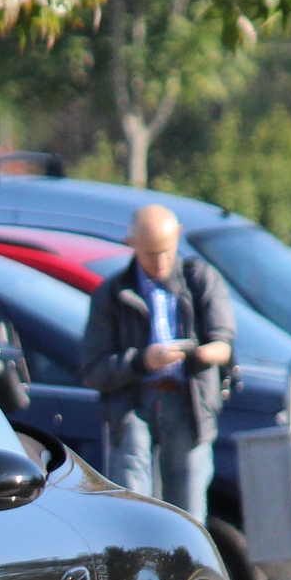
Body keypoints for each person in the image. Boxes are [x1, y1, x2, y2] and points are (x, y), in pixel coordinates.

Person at [78, 205, 236, 520]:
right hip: (134, 405)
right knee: (134, 507)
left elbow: (224, 345)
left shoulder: (200, 279)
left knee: (189, 512)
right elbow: (93, 370)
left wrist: (200, 353)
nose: (160, 262)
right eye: (150, 254)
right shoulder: (112, 294)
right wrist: (142, 361)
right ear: (131, 244)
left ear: (178, 236)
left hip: (189, 404)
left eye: (166, 251)